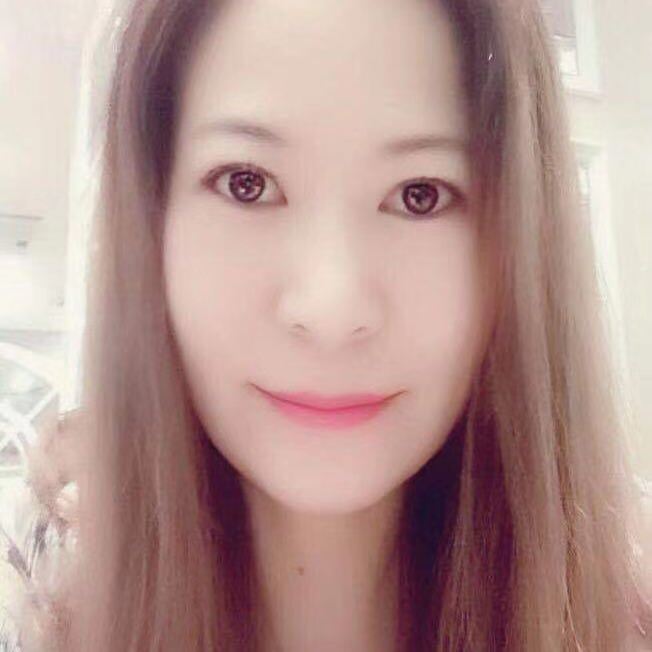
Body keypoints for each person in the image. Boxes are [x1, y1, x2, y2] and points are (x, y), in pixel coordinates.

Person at [1, 0, 651, 650]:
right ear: (152, 219)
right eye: (246, 182)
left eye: (420, 194)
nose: (331, 309)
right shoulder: (32, 595)